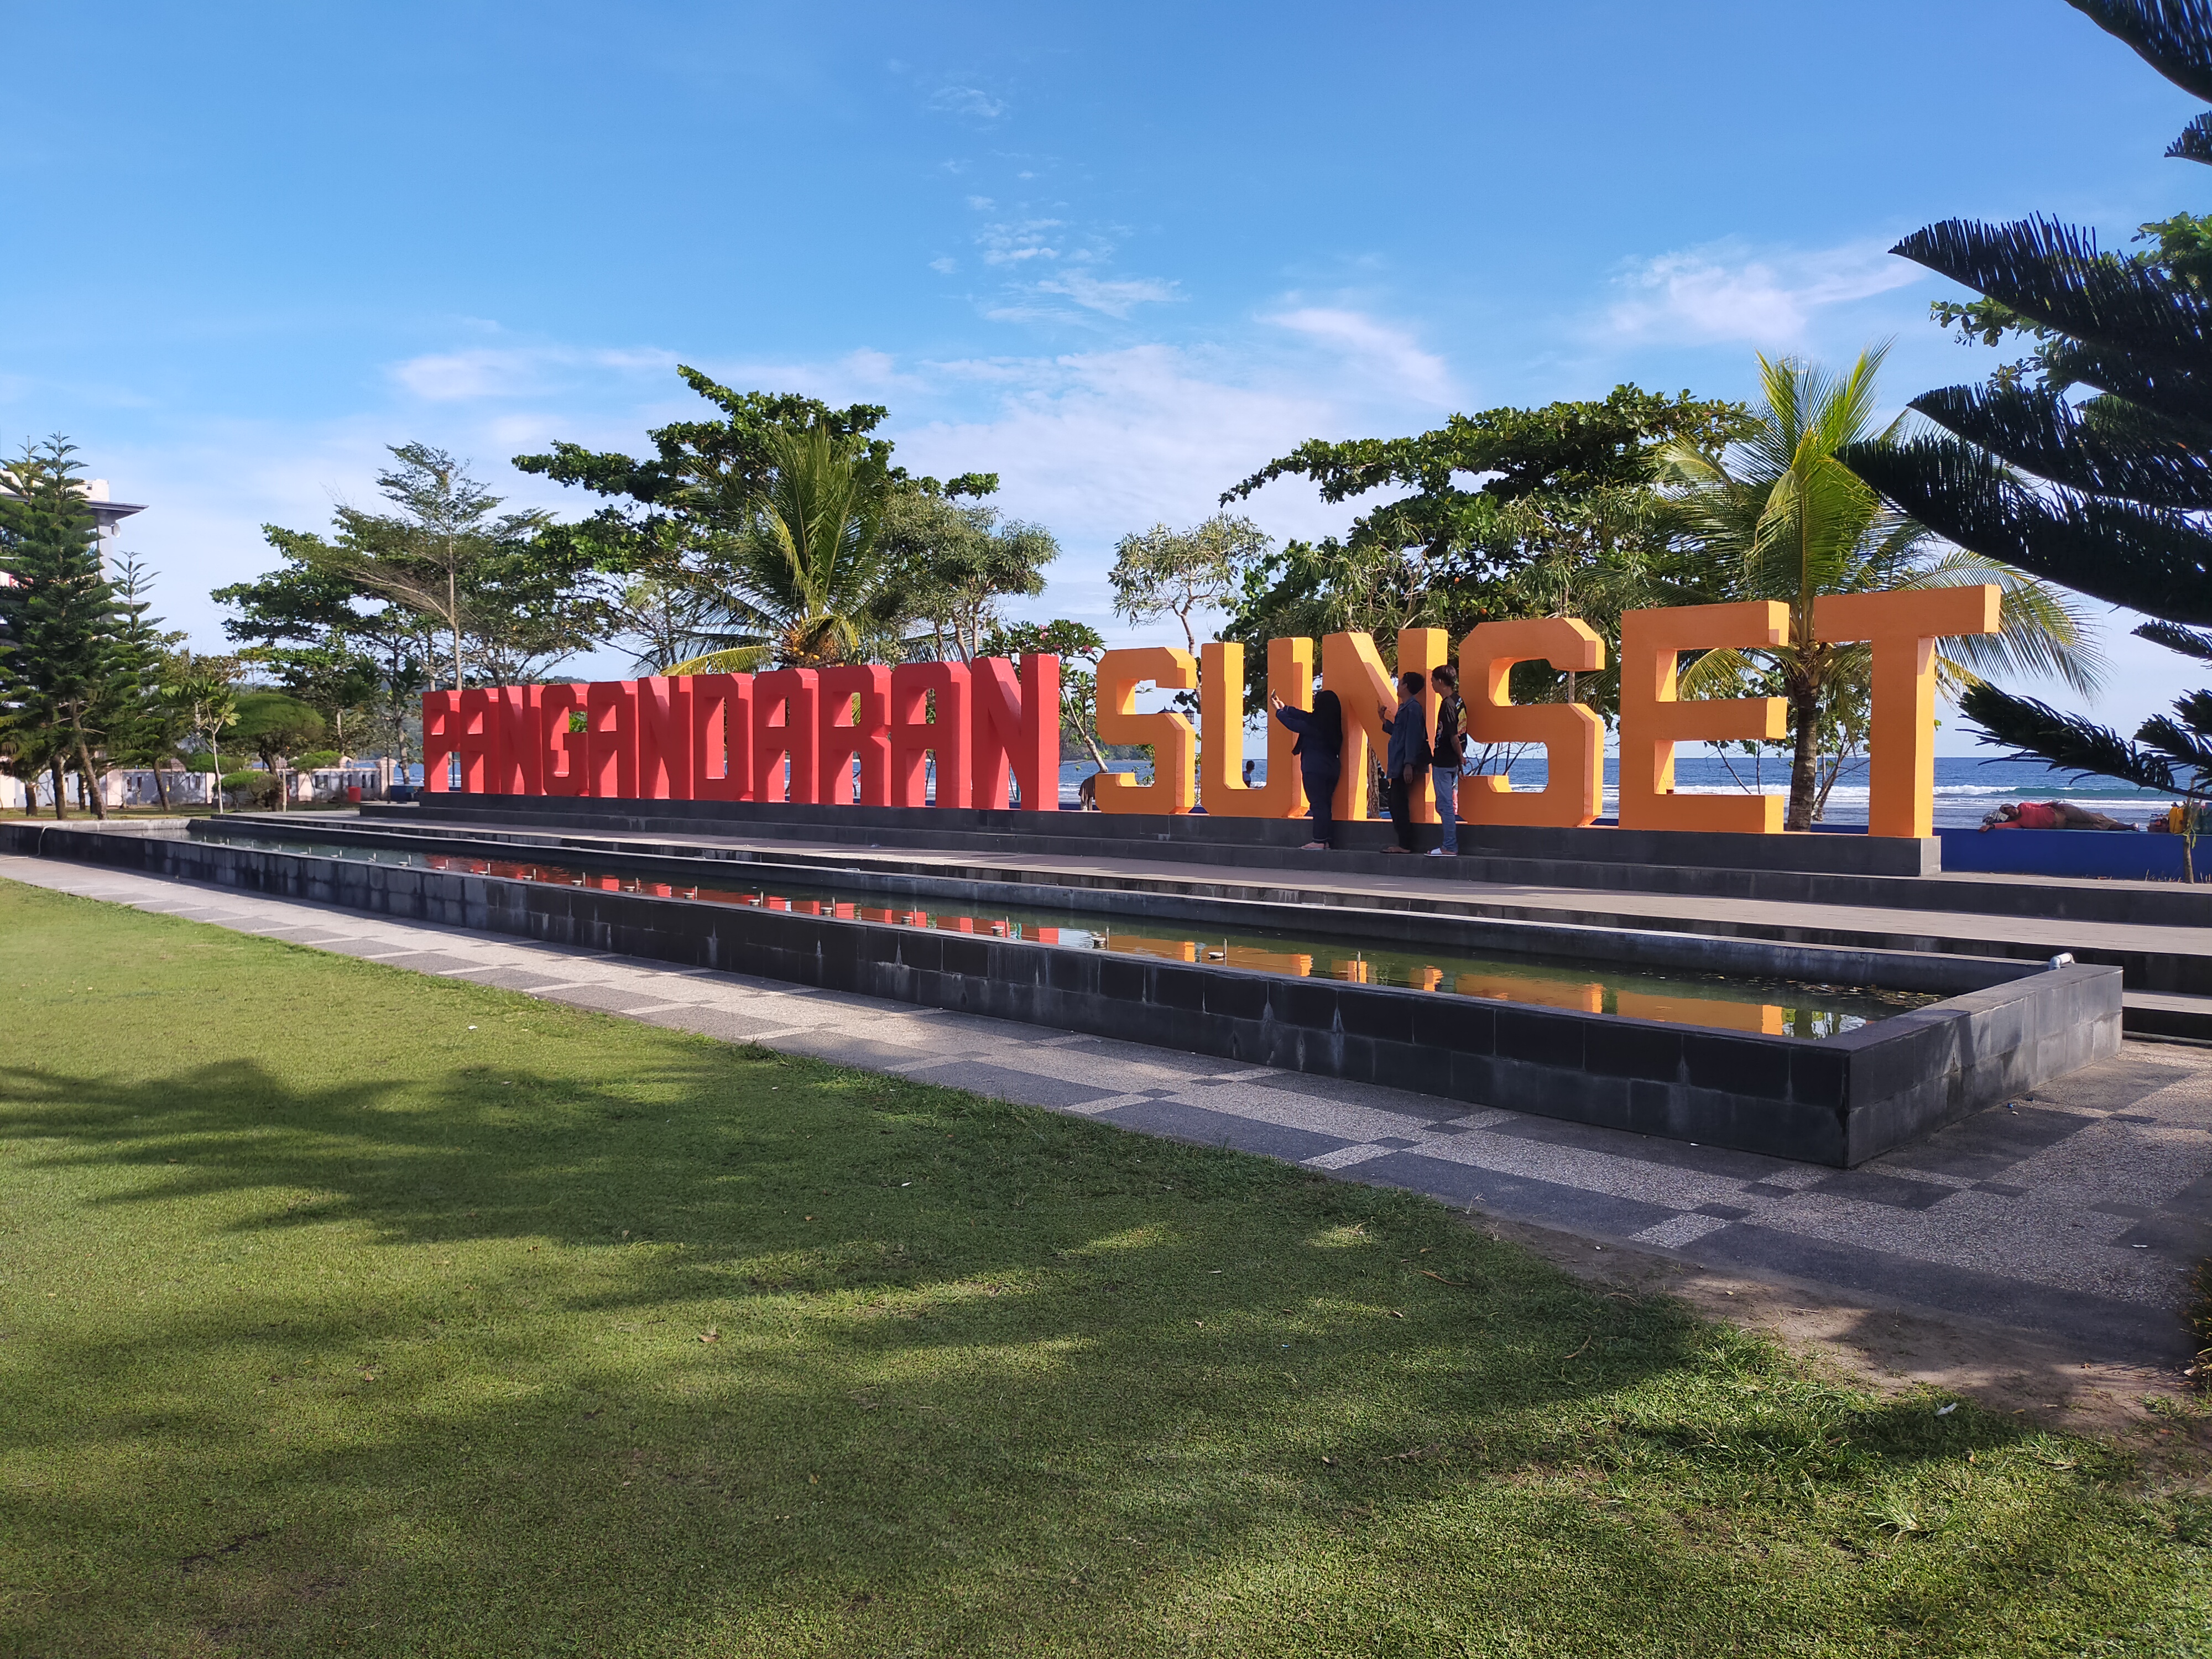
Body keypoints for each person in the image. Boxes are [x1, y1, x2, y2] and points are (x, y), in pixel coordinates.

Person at [1269, 686, 1343, 850]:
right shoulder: (1330, 724)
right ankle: (1325, 840)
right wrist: (1285, 707)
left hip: (1315, 768)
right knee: (1325, 805)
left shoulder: (1316, 725)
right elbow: (1303, 716)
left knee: (1318, 804)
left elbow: (1294, 724)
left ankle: (1318, 841)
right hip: (1332, 768)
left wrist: (1279, 712)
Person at [1376, 670, 1432, 854]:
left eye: (1400, 682)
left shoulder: (1413, 708)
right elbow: (1400, 735)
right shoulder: (1405, 708)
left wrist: (1409, 764)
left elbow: (1413, 737)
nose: (1398, 685)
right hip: (1398, 763)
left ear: (1406, 686)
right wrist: (1384, 721)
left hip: (1402, 764)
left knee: (1398, 803)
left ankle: (1405, 844)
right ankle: (1404, 843)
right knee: (1396, 802)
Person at [1427, 664, 1464, 857]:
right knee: (1444, 805)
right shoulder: (1459, 701)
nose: (1432, 684)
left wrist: (1460, 757)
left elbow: (1453, 736)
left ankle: (1449, 846)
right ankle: (1449, 844)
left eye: (1433, 680)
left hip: (1445, 762)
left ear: (1440, 682)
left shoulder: (1448, 705)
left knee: (1445, 806)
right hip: (1452, 763)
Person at [1982, 800, 2134, 832]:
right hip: (2061, 825)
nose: (2012, 811)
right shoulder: (2018, 823)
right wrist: (1990, 826)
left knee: (2092, 818)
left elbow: (2040, 805)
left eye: (2011, 808)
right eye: (2008, 812)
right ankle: (2128, 827)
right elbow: (2003, 825)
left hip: (2062, 812)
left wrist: (2053, 804)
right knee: (2095, 827)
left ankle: (2114, 821)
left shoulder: (2023, 805)